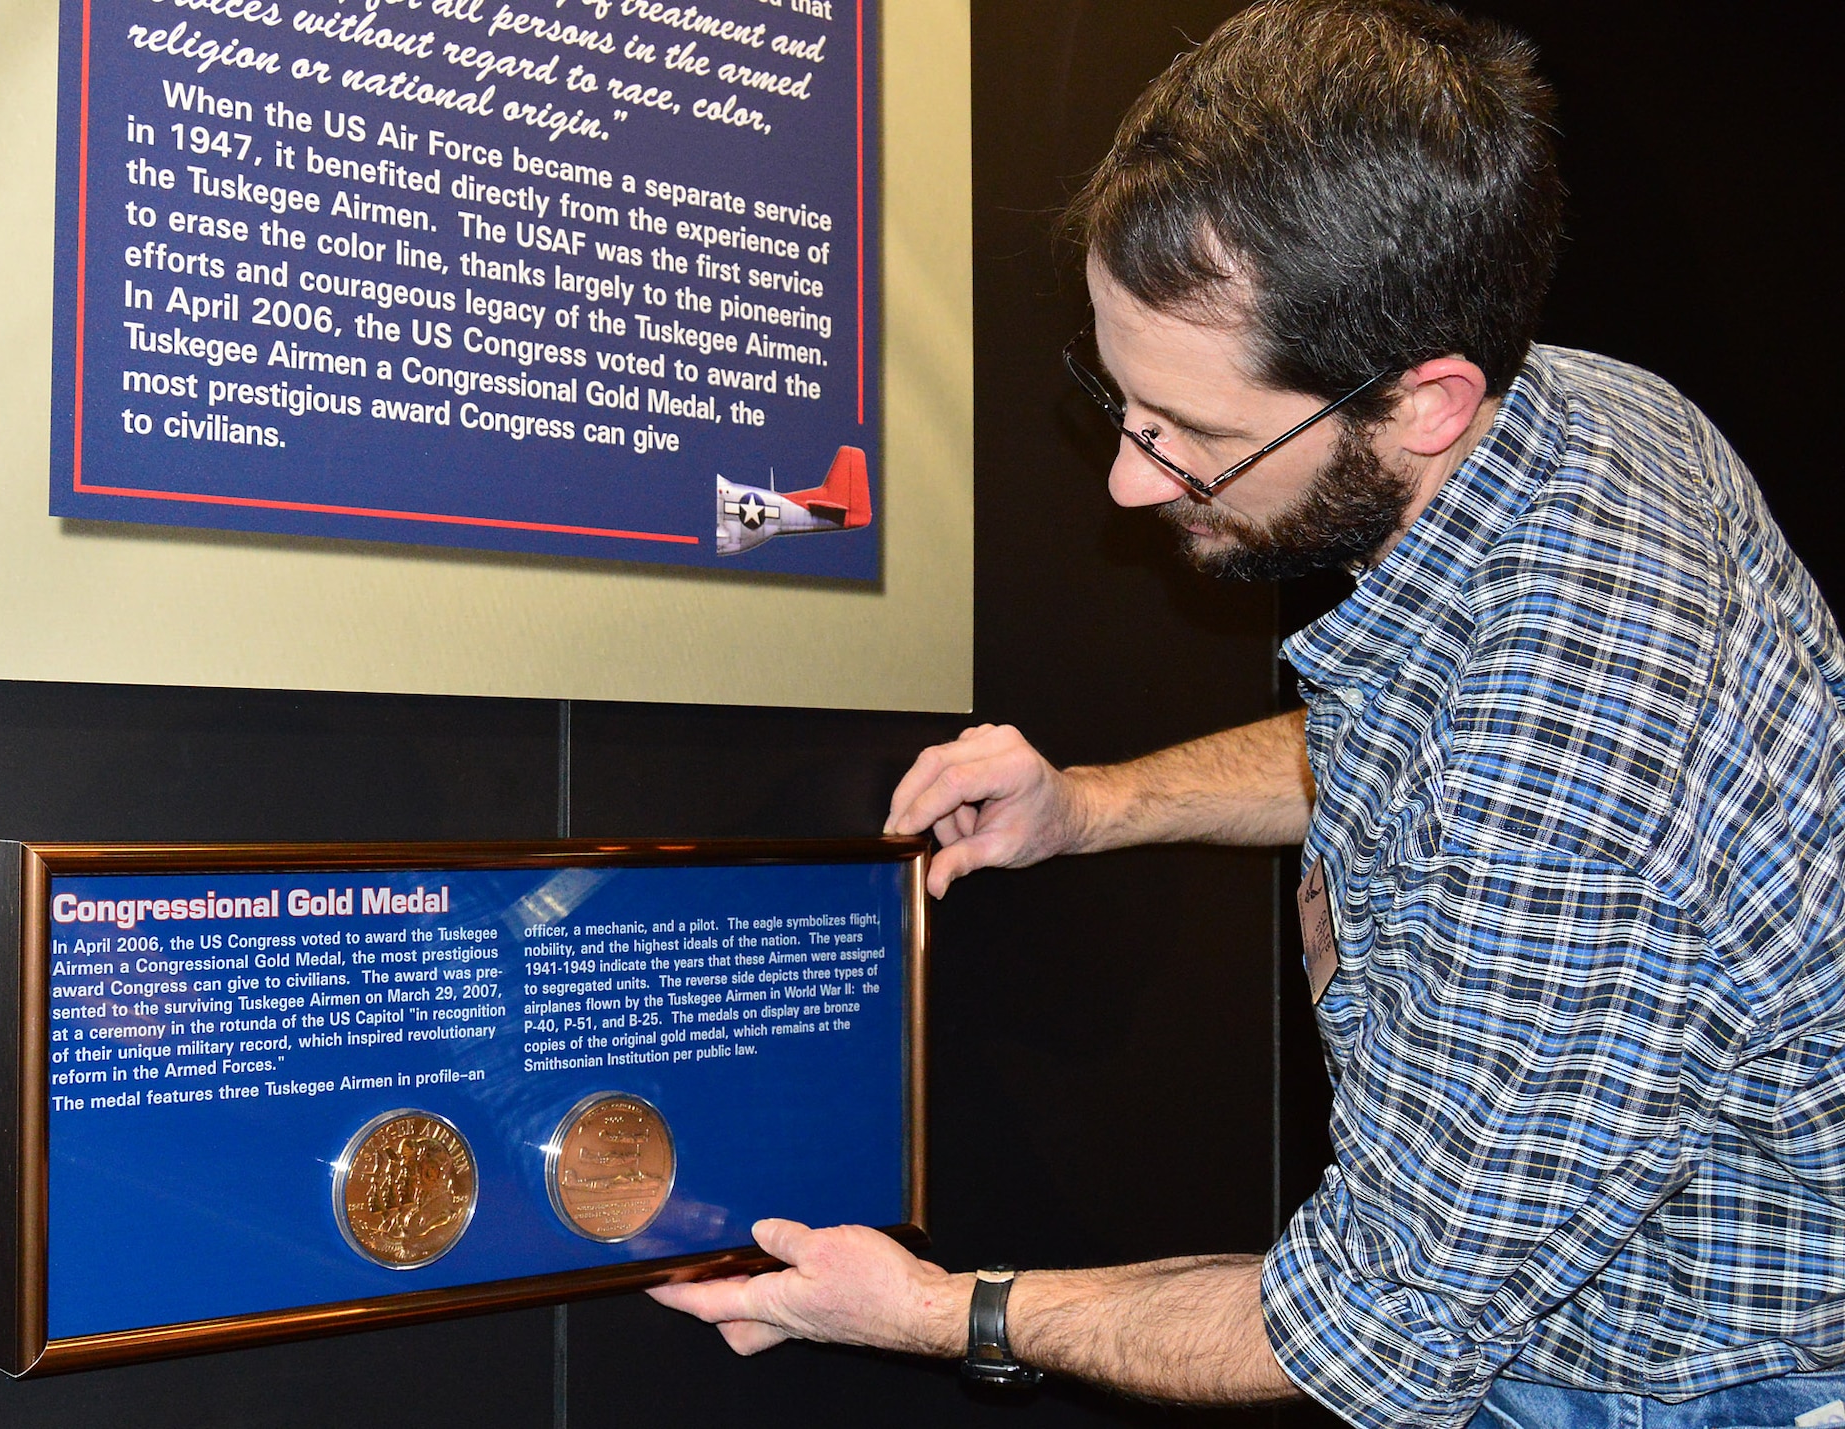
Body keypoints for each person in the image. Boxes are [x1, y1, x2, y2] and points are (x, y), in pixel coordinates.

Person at [649, 1, 1845, 1423]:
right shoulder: (1583, 413)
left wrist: (923, 1309)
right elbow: (1397, 745)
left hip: (1668, 1389)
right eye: (1121, 397)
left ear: (1424, 403)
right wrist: (1091, 805)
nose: (1128, 481)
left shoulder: (1570, 772)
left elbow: (1374, 1330)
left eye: (1194, 437)